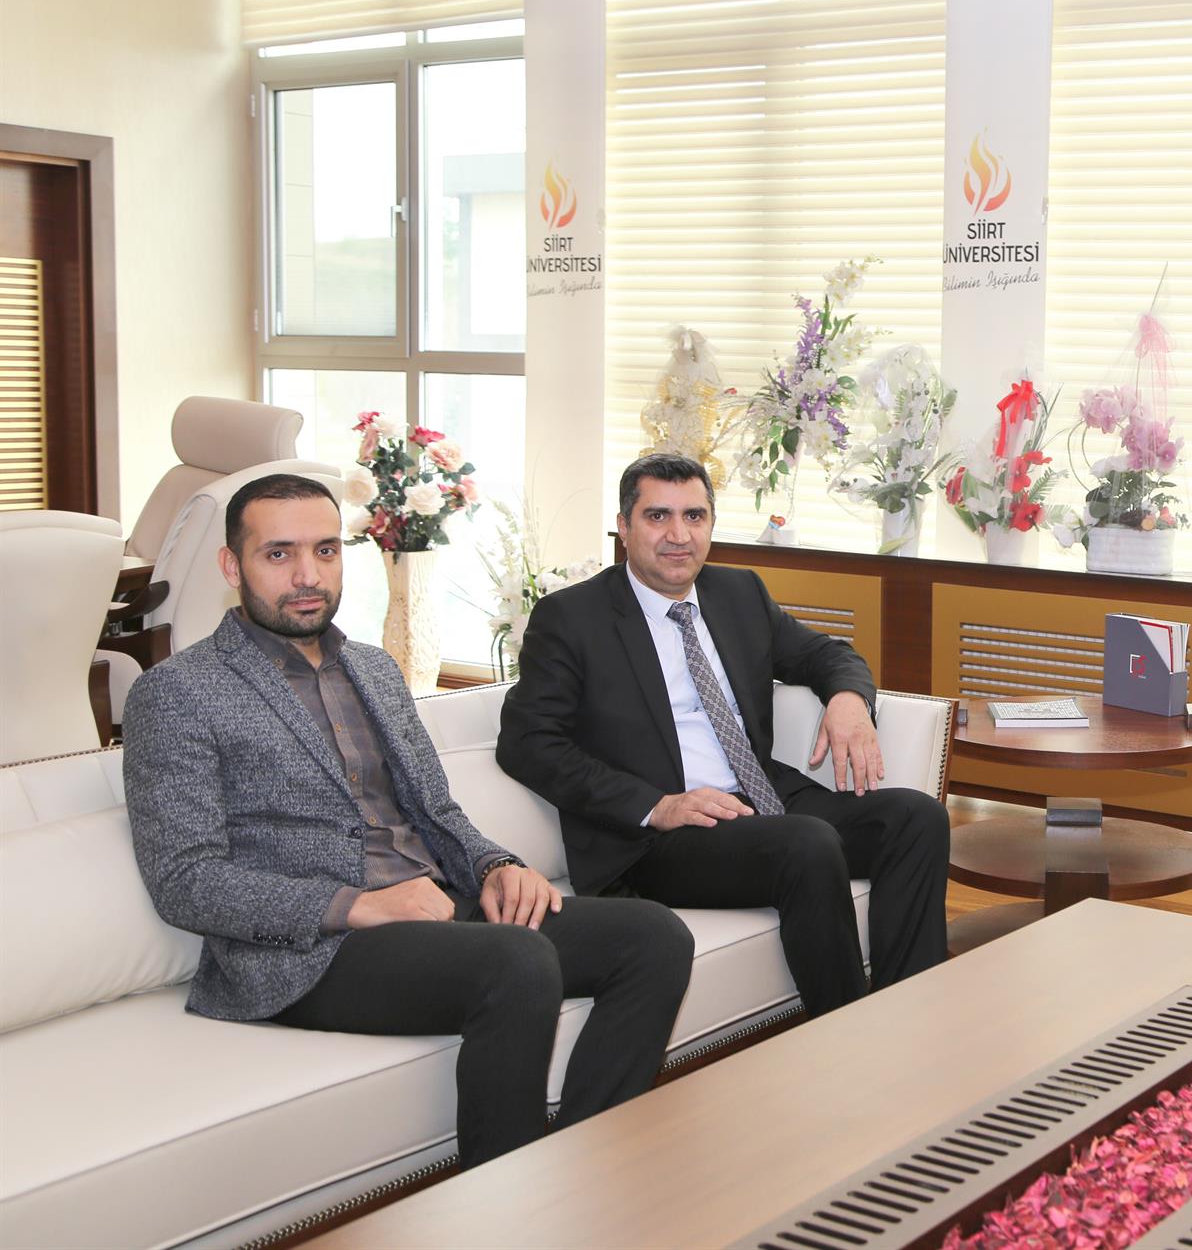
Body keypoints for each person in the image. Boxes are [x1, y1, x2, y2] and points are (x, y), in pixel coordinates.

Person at [123, 473, 692, 1169]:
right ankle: (507, 1200)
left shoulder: (373, 668)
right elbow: (185, 880)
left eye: (325, 550)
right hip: (314, 951)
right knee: (516, 960)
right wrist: (358, 905)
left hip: (432, 909)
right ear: (231, 565)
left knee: (653, 937)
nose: (308, 575)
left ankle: (584, 1162)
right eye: (278, 554)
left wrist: (495, 865)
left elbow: (436, 811)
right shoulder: (176, 693)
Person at [496, 453, 949, 1019]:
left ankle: (908, 1017)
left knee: (916, 818)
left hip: (762, 799)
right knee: (807, 843)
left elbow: (826, 654)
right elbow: (527, 742)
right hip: (661, 837)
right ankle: (844, 1035)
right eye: (658, 516)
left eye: (695, 516)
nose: (679, 535)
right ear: (624, 526)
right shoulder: (572, 618)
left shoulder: (738, 593)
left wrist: (849, 700)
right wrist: (656, 805)